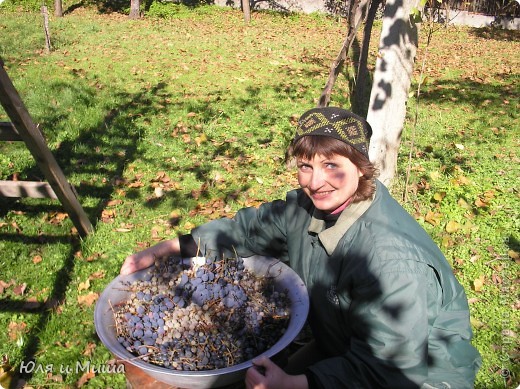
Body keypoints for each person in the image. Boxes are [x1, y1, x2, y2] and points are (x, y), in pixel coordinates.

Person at [121, 107, 481, 389]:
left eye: (331, 165)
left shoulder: (390, 260)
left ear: (361, 167)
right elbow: (247, 230)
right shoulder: (309, 208)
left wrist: (293, 384)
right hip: (344, 343)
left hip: (419, 376)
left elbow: (389, 368)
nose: (316, 181)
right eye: (305, 166)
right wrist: (168, 248)